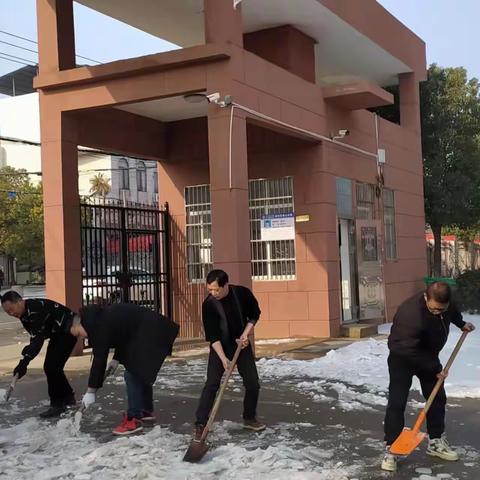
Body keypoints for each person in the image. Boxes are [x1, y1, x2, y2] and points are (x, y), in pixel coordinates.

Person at [381, 282, 475, 472]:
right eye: (434, 309)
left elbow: (452, 312)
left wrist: (461, 323)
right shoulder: (410, 314)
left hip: (428, 356)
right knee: (397, 401)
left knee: (437, 398)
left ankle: (436, 441)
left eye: (442, 309)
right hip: (403, 359)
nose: (438, 313)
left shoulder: (445, 305)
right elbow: (404, 348)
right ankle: (391, 448)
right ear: (426, 297)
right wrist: (434, 368)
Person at [70, 303, 179, 435]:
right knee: (139, 372)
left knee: (132, 373)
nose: (81, 338)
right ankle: (145, 411)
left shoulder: (98, 326)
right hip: (152, 330)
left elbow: (99, 360)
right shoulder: (100, 318)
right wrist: (116, 359)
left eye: (78, 334)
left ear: (79, 324)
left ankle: (133, 419)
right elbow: (124, 334)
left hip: (152, 332)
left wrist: (91, 391)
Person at [193, 269, 265, 440]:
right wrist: (224, 359)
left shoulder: (241, 294)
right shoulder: (209, 304)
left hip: (241, 345)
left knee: (252, 383)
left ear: (226, 285)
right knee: (212, 384)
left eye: (216, 289)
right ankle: (200, 424)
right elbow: (212, 336)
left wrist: (245, 335)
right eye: (210, 289)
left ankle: (249, 418)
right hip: (220, 347)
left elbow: (254, 314)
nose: (213, 293)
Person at [1, 291, 78, 418]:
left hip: (69, 330)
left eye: (11, 309)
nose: (11, 313)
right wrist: (26, 355)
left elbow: (38, 341)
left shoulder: (35, 309)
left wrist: (24, 363)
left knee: (52, 366)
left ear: (19, 301)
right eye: (8, 312)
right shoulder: (23, 314)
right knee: (53, 366)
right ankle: (68, 396)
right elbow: (34, 336)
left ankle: (57, 404)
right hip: (57, 333)